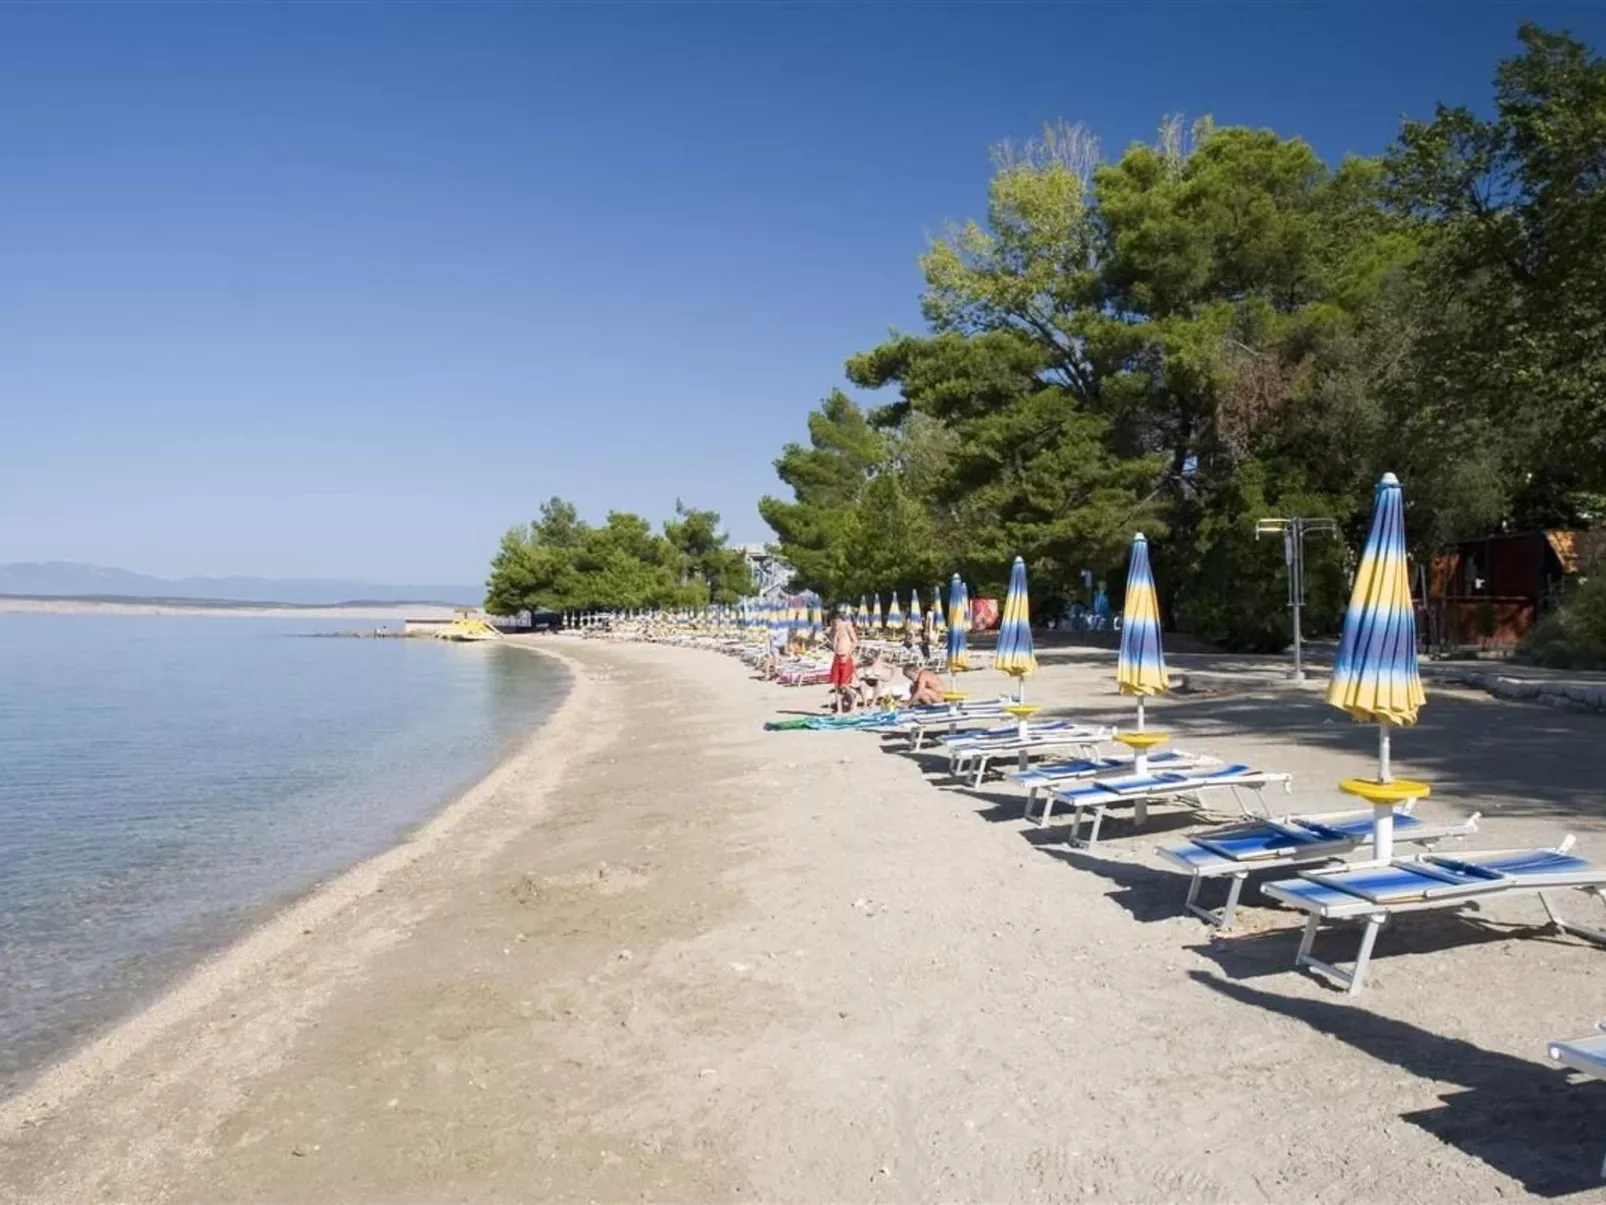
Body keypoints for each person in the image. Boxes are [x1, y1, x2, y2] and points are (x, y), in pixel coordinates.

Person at [826, 606, 859, 714]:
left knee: (844, 684)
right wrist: (830, 634)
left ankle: (854, 701)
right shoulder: (833, 630)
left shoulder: (847, 626)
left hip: (846, 657)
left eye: (834, 622)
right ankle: (839, 709)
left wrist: (848, 653)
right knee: (836, 685)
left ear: (839, 619)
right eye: (831, 622)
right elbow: (832, 645)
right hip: (837, 657)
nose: (833, 624)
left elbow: (855, 642)